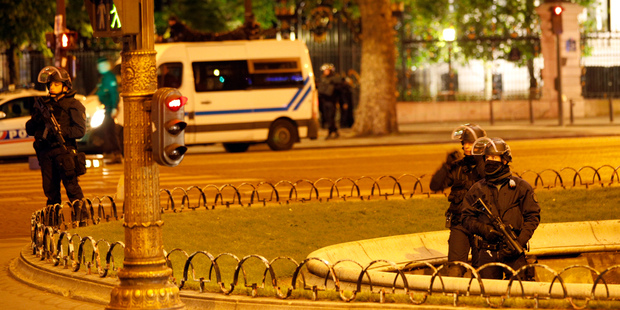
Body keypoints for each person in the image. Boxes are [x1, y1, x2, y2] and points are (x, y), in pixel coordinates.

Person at [461, 137, 540, 280]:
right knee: (489, 293)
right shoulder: (477, 189)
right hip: (486, 251)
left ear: (504, 160)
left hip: (514, 250)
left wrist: (519, 241)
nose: (490, 161)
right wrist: (484, 230)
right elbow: (466, 218)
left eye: (495, 157)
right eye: (488, 157)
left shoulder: (521, 187)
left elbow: (533, 217)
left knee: (520, 290)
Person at [26, 66, 89, 226]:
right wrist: (37, 119)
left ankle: (81, 221)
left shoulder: (73, 105)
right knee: (50, 191)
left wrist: (61, 131)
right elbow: (30, 129)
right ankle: (53, 224)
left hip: (65, 152)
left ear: (65, 86)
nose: (51, 86)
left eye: (55, 83)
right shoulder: (43, 105)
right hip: (47, 153)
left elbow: (80, 130)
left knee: (72, 189)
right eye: (50, 84)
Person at [429, 124, 487, 277]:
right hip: (459, 223)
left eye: (470, 143)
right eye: (464, 143)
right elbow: (434, 186)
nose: (466, 146)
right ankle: (455, 298)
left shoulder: (489, 164)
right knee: (455, 268)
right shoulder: (458, 167)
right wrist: (446, 166)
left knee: (482, 269)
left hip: (481, 224)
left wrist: (480, 159)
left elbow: (489, 180)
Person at [95, 58, 122, 163]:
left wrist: (114, 107)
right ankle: (112, 153)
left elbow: (113, 93)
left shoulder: (109, 77)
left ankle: (115, 153)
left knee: (109, 131)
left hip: (110, 108)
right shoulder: (105, 77)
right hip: (107, 107)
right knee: (107, 130)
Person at [317, 63, 342, 139]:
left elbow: (339, 91)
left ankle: (330, 133)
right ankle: (335, 131)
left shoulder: (334, 79)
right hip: (324, 102)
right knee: (327, 118)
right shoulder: (323, 79)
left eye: (326, 70)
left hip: (332, 102)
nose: (325, 72)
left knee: (330, 118)